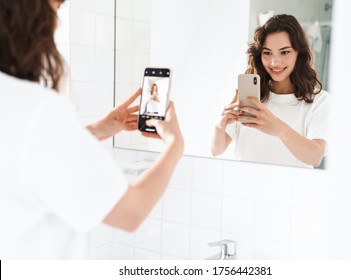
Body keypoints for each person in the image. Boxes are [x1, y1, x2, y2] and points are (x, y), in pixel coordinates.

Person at [0, 0, 184, 259]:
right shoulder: (38, 109)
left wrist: (97, 129)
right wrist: (175, 145)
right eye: (56, 9)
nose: (56, 22)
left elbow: (22, 157)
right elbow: (131, 212)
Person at [211, 14, 330, 168]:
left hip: (291, 191)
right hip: (241, 188)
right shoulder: (249, 96)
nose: (275, 62)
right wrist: (220, 125)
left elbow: (315, 157)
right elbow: (216, 150)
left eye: (284, 52)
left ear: (298, 54)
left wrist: (277, 128)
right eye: (267, 53)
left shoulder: (320, 101)